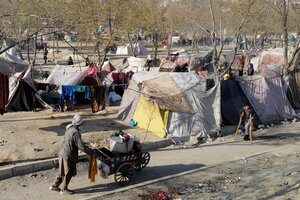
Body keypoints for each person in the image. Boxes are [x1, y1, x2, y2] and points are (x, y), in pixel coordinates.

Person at [49, 114, 97, 195]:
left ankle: (54, 186)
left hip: (62, 153)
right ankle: (64, 190)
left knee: (61, 172)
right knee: (69, 172)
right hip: (69, 155)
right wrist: (92, 152)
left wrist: (84, 143)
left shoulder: (69, 128)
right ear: (79, 124)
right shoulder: (76, 133)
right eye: (82, 124)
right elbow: (82, 147)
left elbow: (73, 141)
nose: (83, 125)